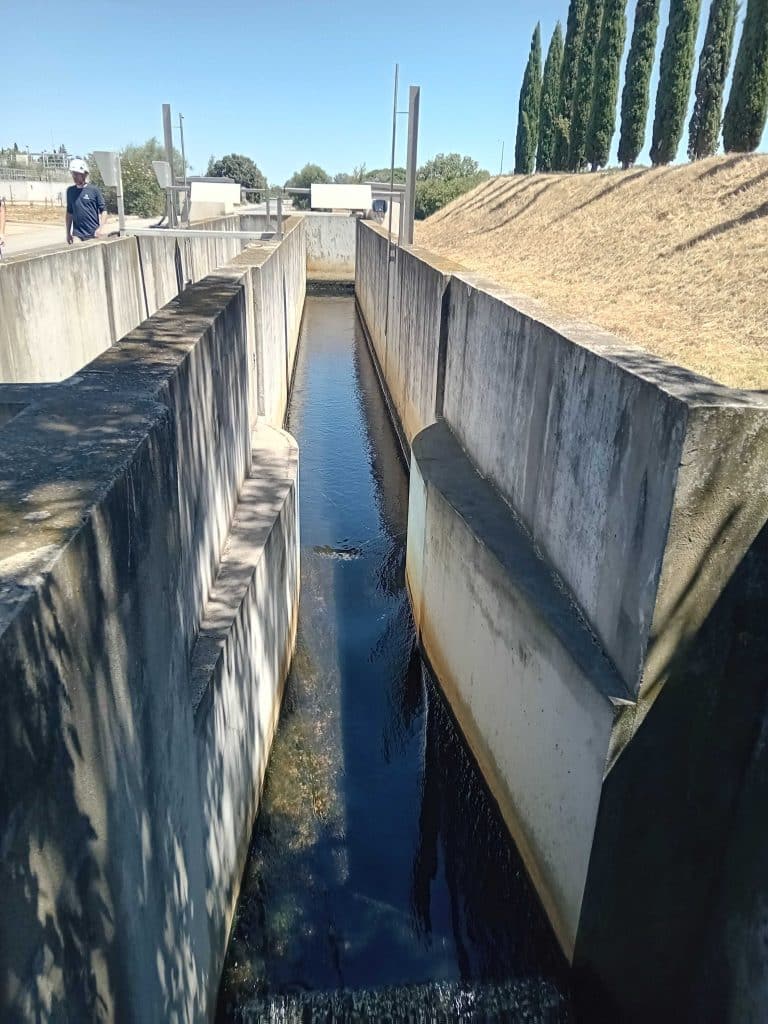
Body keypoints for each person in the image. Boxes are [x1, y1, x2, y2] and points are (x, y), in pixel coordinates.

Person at [66, 159, 106, 244]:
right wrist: (68, 233)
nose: (75, 177)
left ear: (84, 174)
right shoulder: (70, 191)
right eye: (73, 174)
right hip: (77, 234)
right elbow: (69, 213)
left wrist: (100, 229)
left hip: (93, 233)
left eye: (77, 174)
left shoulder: (94, 190)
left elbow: (104, 211)